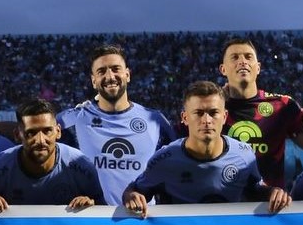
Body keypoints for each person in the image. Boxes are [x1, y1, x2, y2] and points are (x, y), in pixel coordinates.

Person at [122, 81, 291, 218]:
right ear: (185, 118)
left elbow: (254, 189)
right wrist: (131, 197)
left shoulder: (244, 154)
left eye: (213, 112)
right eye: (199, 113)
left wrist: (273, 192)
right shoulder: (164, 160)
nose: (206, 120)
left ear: (224, 117)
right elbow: (135, 190)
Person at [58, 44, 175, 205]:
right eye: (101, 71)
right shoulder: (70, 122)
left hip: (142, 221)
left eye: (115, 69)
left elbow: (174, 170)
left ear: (127, 74)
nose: (110, 76)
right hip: (92, 222)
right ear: (93, 81)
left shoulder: (155, 121)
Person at [220, 38, 303, 188]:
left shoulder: (282, 106)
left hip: (268, 205)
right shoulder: (212, 109)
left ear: (258, 67)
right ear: (223, 69)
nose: (242, 61)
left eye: (248, 56)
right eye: (235, 57)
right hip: (224, 206)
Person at [0, 98, 105, 210]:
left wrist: (90, 206)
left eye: (47, 131)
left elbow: (101, 217)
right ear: (17, 135)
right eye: (31, 133)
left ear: (58, 131)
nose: (40, 140)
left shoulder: (82, 166)